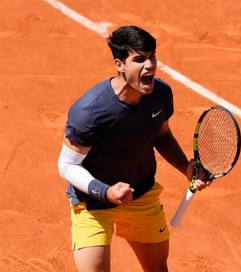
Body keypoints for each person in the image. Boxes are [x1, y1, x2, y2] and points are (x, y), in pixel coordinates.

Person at [57, 25, 211, 272]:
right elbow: (67, 165)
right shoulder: (89, 112)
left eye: (151, 56)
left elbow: (162, 136)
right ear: (119, 65)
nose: (149, 65)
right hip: (93, 204)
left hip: (141, 195)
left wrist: (186, 167)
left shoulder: (160, 93)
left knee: (157, 268)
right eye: (139, 59)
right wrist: (105, 192)